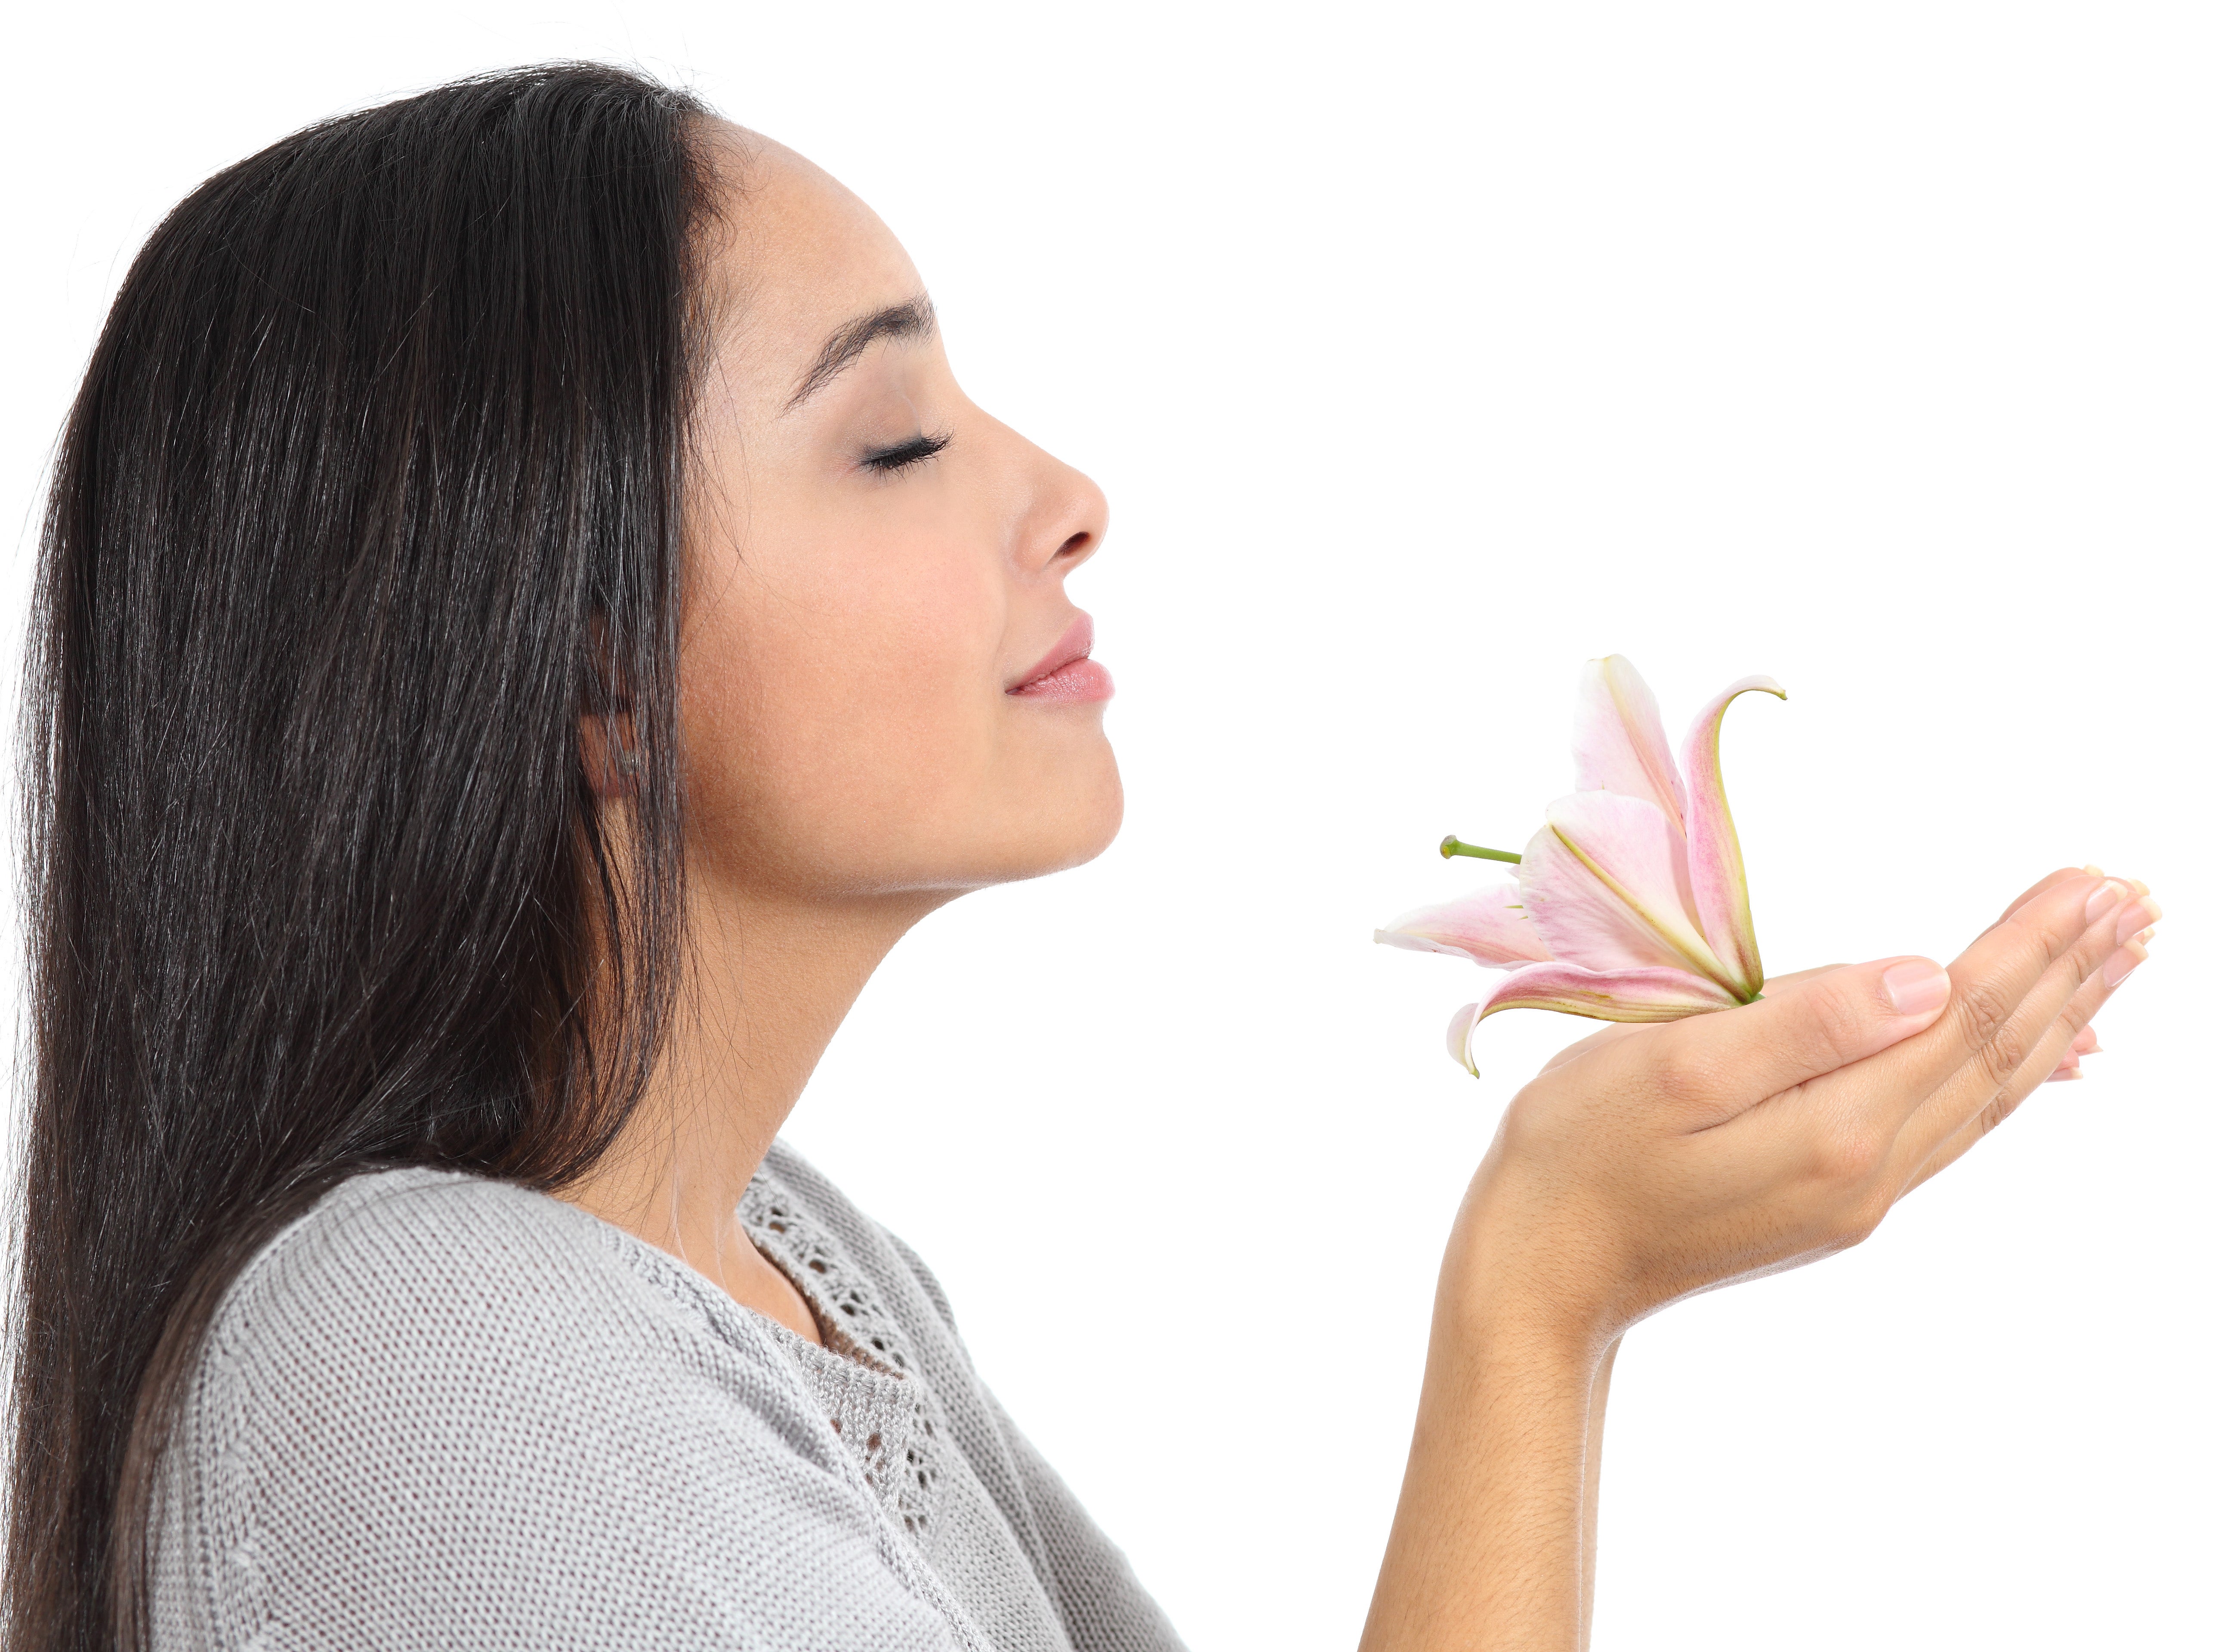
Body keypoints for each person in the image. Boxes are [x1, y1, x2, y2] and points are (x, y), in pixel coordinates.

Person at [3, 63, 2153, 1652]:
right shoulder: (438, 1354)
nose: (1065, 494)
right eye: (897, 440)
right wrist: (1543, 1289)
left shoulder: (788, 1262)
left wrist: (1556, 1290)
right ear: (584, 666)